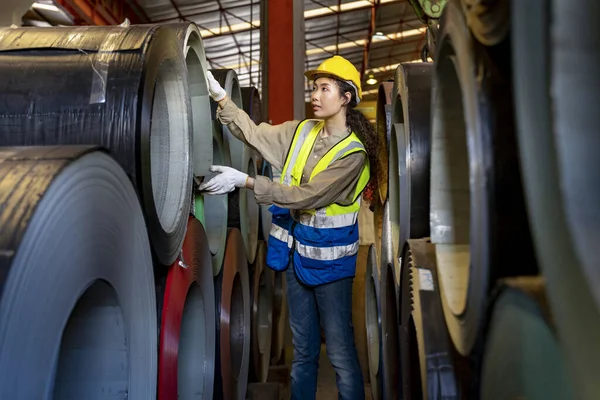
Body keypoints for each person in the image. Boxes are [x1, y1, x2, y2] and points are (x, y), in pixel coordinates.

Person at [200, 55, 378, 400]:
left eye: (325, 88)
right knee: (303, 353)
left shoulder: (353, 156)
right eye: (314, 87)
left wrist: (247, 181)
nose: (315, 94)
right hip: (296, 260)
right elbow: (254, 134)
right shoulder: (301, 131)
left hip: (331, 268)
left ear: (346, 97)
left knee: (340, 355)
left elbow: (306, 196)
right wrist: (223, 99)